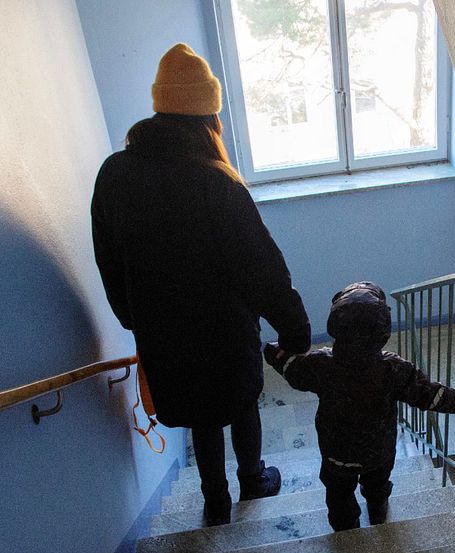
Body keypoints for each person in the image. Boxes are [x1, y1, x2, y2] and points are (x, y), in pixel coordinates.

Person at [91, 43, 311, 526]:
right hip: (224, 331)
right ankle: (252, 478)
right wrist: (296, 334)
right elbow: (264, 272)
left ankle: (216, 500)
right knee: (240, 403)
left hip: (164, 334)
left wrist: (135, 319)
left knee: (201, 416)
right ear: (208, 117)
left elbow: (108, 261)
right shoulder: (218, 183)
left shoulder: (114, 174)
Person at [264, 281, 455, 532]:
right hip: (378, 451)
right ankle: (377, 510)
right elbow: (428, 395)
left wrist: (273, 353)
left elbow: (293, 370)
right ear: (384, 329)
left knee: (338, 494)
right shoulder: (394, 369)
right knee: (378, 485)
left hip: (336, 452)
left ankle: (346, 529)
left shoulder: (321, 364)